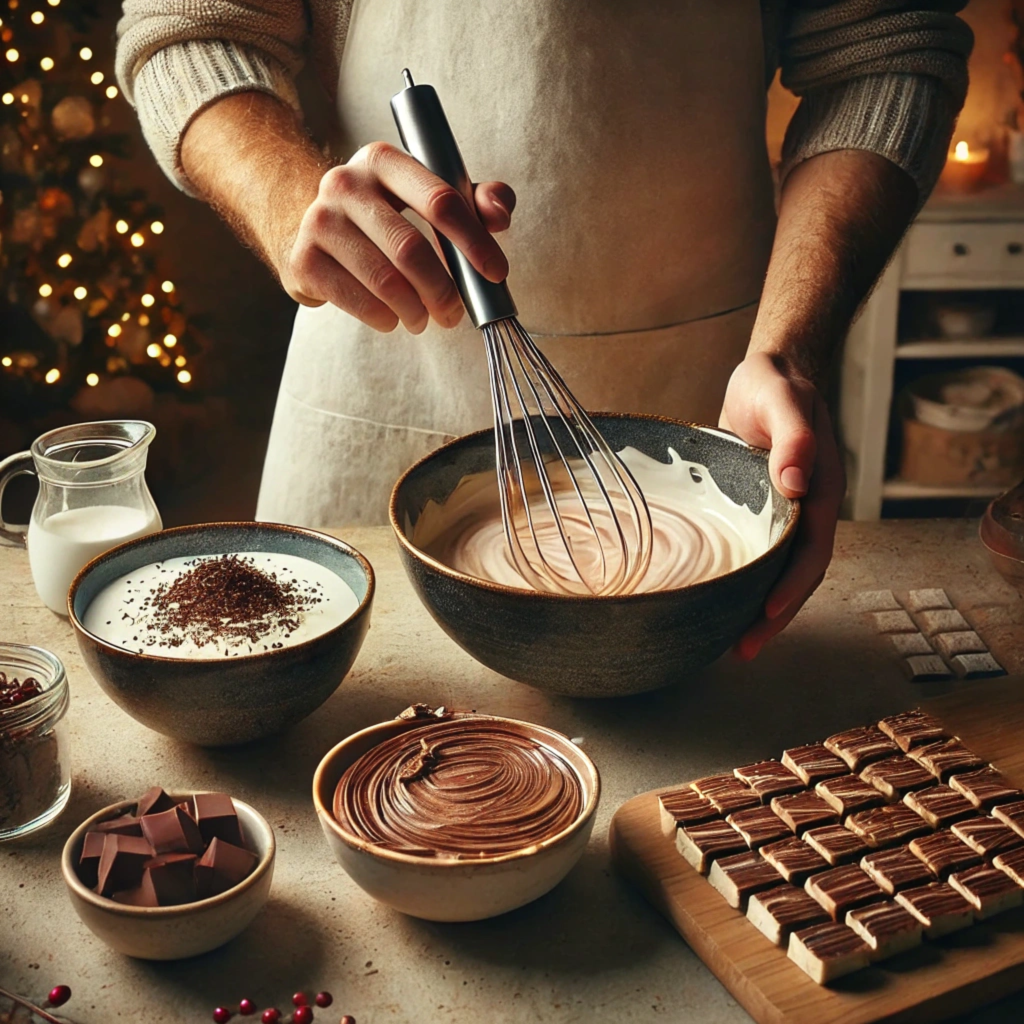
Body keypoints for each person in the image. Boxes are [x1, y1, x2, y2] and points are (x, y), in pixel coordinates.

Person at [116, 1, 972, 657]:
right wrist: (289, 201)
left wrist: (791, 347)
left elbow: (888, 45)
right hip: (373, 381)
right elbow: (187, 27)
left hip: (715, 399)